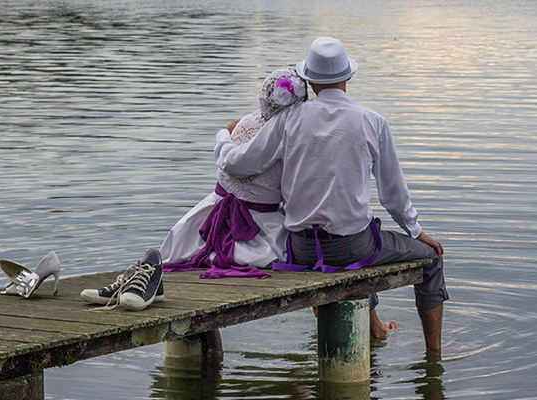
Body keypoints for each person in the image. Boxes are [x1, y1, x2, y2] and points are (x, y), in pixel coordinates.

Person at [215, 37, 449, 353]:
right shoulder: (372, 121)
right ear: (348, 76)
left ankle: (374, 329)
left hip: (300, 249)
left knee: (363, 242)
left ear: (310, 80)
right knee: (427, 259)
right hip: (351, 247)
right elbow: (393, 194)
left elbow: (239, 163)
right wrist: (416, 232)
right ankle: (434, 357)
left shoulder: (287, 119)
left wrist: (223, 137)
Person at [80, 68, 308, 310]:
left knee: (173, 254)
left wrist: (222, 135)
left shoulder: (240, 124)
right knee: (247, 256)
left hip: (207, 216)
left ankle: (144, 279)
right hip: (260, 230)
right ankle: (143, 281)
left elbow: (233, 157)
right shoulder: (289, 138)